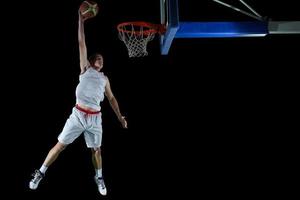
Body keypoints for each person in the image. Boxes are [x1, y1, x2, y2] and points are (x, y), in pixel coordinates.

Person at [29, 9, 128, 196]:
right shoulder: (85, 68)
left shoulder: (104, 79)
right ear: (91, 61)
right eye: (98, 57)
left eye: (102, 59)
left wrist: (120, 118)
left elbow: (112, 99)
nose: (101, 59)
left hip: (95, 118)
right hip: (78, 115)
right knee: (60, 145)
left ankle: (99, 177)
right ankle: (40, 172)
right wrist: (80, 20)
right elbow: (81, 42)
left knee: (97, 150)